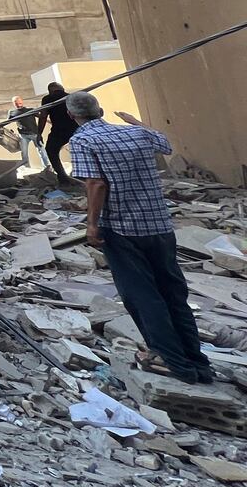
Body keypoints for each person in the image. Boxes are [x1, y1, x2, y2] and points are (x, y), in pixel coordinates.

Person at [70, 93, 214, 383]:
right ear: (99, 110)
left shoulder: (82, 141)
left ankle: (172, 360)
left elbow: (96, 183)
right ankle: (197, 363)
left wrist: (92, 225)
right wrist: (136, 121)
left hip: (122, 229)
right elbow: (164, 142)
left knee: (144, 296)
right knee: (173, 293)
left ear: (73, 116)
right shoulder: (136, 133)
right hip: (159, 226)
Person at [40, 82, 79, 185]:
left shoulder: (47, 99)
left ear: (50, 91)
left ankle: (63, 178)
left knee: (51, 150)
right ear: (62, 89)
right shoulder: (70, 97)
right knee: (79, 152)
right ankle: (81, 176)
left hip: (59, 130)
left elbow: (43, 116)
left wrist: (39, 133)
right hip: (75, 128)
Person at [8, 96, 50, 175]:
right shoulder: (12, 112)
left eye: (19, 102)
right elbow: (6, 122)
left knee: (42, 152)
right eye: (16, 103)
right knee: (24, 154)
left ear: (22, 102)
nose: (18, 104)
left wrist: (51, 122)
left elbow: (42, 117)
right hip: (23, 135)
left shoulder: (30, 110)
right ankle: (27, 169)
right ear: (14, 103)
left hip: (35, 134)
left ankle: (47, 167)